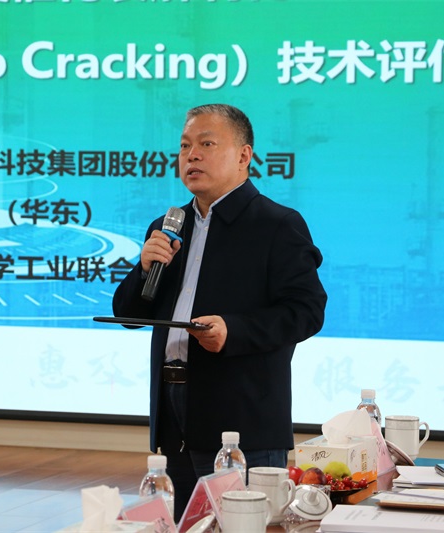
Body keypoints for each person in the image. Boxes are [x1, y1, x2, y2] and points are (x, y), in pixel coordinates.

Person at [112, 103, 327, 519]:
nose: (191, 155)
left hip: (242, 421)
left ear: (244, 156)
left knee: (242, 526)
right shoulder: (168, 225)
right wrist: (144, 270)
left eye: (206, 144)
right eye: (184, 146)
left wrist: (233, 331)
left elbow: (307, 311)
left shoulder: (277, 224)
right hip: (173, 413)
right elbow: (127, 313)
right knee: (182, 526)